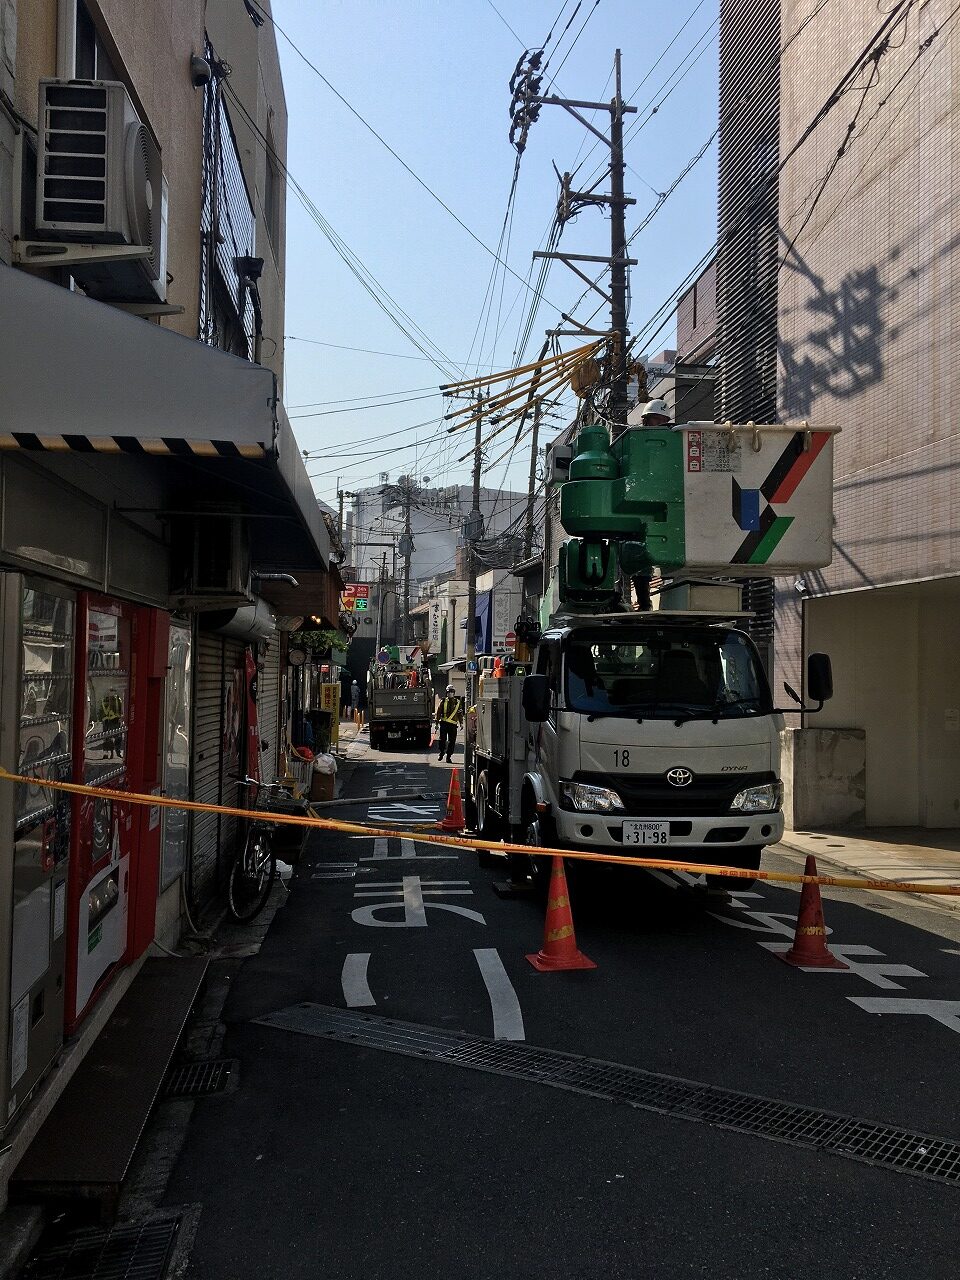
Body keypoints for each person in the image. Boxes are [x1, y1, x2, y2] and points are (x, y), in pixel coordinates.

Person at [435, 685, 464, 763]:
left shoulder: (457, 702)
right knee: (442, 740)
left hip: (453, 725)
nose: (450, 693)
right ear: (446, 693)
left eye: (452, 692)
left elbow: (460, 713)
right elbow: (438, 712)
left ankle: (448, 756)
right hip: (444, 724)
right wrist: (437, 723)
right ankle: (441, 752)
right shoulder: (443, 701)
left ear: (454, 693)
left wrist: (461, 723)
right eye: (449, 692)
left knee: (452, 741)